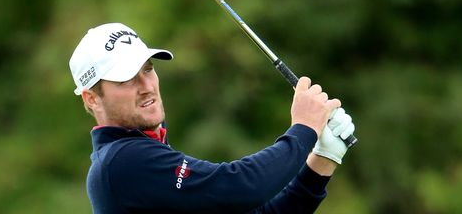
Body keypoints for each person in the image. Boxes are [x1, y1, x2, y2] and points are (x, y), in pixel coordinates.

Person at [69, 22, 355, 214]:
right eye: (126, 78)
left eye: (147, 69)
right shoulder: (122, 162)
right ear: (91, 98)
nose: (147, 86)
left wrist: (322, 159)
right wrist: (304, 129)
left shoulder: (144, 154)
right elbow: (239, 188)